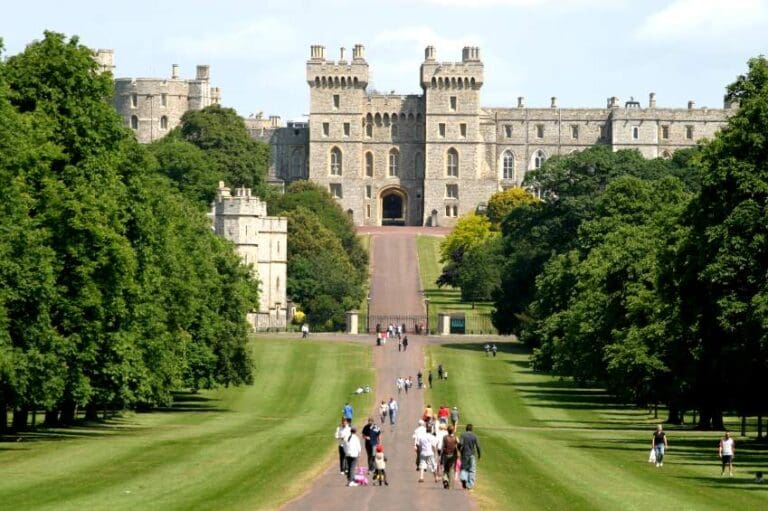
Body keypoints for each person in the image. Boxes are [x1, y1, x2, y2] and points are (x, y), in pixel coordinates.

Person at [459, 424, 481, 491]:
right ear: (472, 429)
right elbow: (478, 446)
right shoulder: (474, 436)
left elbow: (461, 444)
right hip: (471, 455)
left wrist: (459, 449)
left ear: (466, 428)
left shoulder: (463, 435)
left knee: (464, 468)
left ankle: (463, 479)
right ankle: (470, 486)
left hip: (464, 454)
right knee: (472, 470)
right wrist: (479, 454)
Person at [441, 425, 459, 489]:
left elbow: (442, 446)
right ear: (453, 431)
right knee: (451, 469)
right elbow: (459, 445)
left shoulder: (445, 437)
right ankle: (450, 483)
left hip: (445, 454)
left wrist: (441, 455)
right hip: (453, 455)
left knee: (445, 468)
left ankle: (445, 479)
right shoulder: (455, 438)